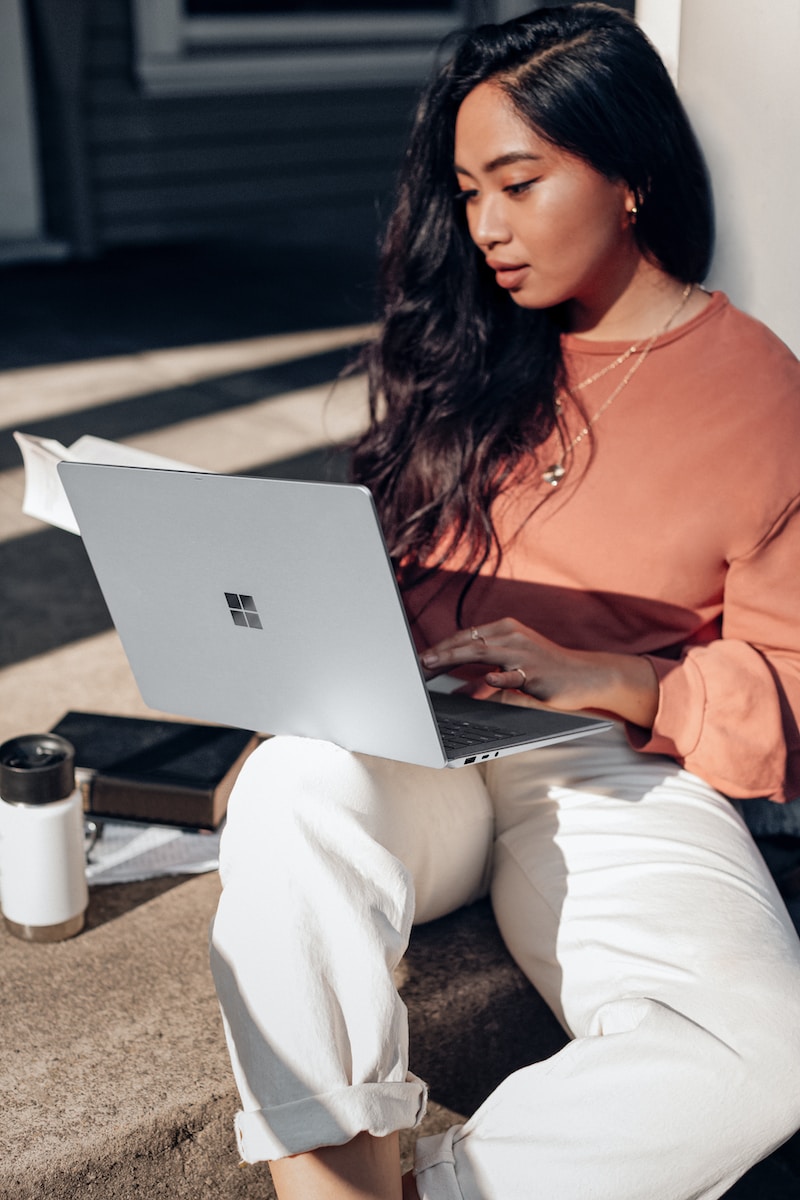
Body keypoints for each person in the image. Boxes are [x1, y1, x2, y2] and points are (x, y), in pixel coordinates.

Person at [210, 5, 800, 1198]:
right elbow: (367, 585)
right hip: (411, 735)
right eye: (467, 191)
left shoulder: (761, 393)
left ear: (628, 175)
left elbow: (789, 678)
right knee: (289, 783)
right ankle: (325, 1180)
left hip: (607, 763)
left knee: (765, 1056)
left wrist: (622, 680)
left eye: (517, 185)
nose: (482, 228)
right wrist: (290, 700)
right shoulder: (467, 355)